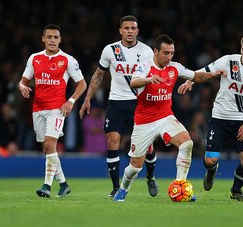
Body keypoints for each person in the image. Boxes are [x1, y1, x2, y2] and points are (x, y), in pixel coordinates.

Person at [113, 34, 226, 202]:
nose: (169, 57)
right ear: (155, 51)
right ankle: (123, 189)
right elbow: (133, 82)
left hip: (165, 117)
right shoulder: (144, 66)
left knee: (187, 143)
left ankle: (180, 185)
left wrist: (215, 74)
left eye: (172, 53)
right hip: (144, 121)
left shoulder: (175, 67)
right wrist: (149, 79)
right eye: (165, 53)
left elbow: (196, 76)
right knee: (135, 166)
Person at [179, 32, 243, 202]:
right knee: (210, 160)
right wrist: (190, 80)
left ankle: (236, 191)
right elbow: (205, 70)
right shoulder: (229, 61)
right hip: (220, 118)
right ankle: (212, 170)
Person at [79, 15, 158, 198]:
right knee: (112, 141)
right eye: (126, 28)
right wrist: (87, 98)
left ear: (137, 31)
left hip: (140, 102)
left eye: (133, 28)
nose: (130, 31)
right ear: (120, 30)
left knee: (147, 147)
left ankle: (150, 176)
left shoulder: (146, 52)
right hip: (116, 101)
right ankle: (116, 187)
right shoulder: (110, 50)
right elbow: (99, 75)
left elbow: (154, 77)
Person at [18, 24, 87, 198]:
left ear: (60, 40)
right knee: (48, 149)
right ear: (43, 39)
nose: (52, 40)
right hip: (38, 109)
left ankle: (46, 186)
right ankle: (63, 184)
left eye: (56, 37)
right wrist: (21, 87)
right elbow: (23, 81)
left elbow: (82, 84)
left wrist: (70, 101)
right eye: (49, 37)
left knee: (50, 144)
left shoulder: (68, 60)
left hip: (57, 108)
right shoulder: (34, 58)